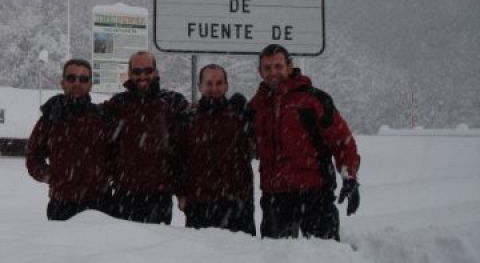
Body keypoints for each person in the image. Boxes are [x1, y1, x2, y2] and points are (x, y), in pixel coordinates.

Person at [248, 44, 360, 241]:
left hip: (315, 193)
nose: (273, 73)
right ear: (260, 71)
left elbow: (341, 141)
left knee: (327, 260)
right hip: (275, 197)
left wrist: (349, 176)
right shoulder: (256, 106)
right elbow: (244, 145)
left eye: (278, 66)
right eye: (267, 68)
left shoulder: (314, 100)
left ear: (289, 67)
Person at [103, 51, 189, 224]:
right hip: (124, 195)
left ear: (156, 73)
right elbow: (88, 122)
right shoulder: (117, 104)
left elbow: (187, 146)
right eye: (137, 71)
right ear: (129, 74)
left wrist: (183, 190)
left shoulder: (173, 102)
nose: (142, 76)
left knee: (156, 249)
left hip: (160, 196)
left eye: (148, 71)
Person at [25, 59, 112, 221]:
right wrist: (52, 176)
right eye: (71, 78)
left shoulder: (102, 118)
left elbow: (119, 155)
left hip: (100, 206)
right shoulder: (51, 118)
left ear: (91, 84)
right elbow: (33, 156)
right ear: (62, 82)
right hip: (61, 206)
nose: (77, 83)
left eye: (83, 79)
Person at [177, 64, 255, 235]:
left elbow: (257, 145)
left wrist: (249, 114)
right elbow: (180, 158)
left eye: (219, 83)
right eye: (209, 83)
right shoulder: (188, 118)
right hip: (199, 203)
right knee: (202, 257)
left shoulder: (240, 114)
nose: (214, 88)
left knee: (243, 259)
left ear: (226, 86)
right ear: (200, 86)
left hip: (236, 203)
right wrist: (181, 193)